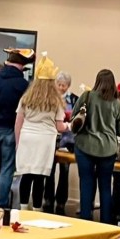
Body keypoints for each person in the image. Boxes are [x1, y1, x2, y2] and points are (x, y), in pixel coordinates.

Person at [0, 48, 33, 209]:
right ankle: (1, 204)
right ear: (22, 67)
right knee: (7, 168)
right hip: (10, 129)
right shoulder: (23, 84)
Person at [15, 55, 69, 210]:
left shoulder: (26, 98)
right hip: (45, 140)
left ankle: (23, 209)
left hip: (27, 137)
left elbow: (18, 122)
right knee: (40, 177)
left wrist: (18, 142)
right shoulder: (56, 101)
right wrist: (69, 126)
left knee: (26, 175)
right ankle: (38, 210)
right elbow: (59, 127)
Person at [72, 69, 120, 224]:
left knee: (86, 183)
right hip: (107, 149)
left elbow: (74, 117)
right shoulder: (116, 104)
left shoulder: (86, 96)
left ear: (97, 81)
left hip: (84, 146)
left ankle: (85, 220)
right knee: (105, 185)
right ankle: (105, 222)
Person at [44, 71, 78, 215]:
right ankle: (48, 199)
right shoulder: (48, 98)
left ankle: (61, 201)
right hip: (51, 136)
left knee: (64, 171)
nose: (61, 88)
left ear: (68, 86)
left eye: (64, 85)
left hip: (67, 139)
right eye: (59, 85)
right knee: (49, 171)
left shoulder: (74, 99)